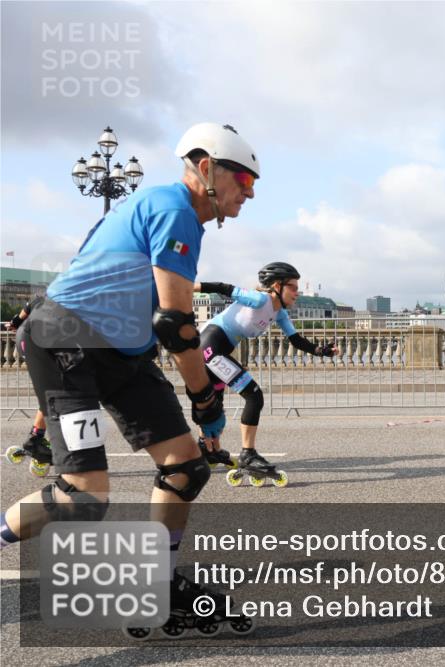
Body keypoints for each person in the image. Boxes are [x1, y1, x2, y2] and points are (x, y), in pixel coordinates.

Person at [0, 122, 260, 638]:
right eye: (243, 180)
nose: (249, 192)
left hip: (123, 353)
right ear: (206, 168)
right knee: (83, 496)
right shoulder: (174, 208)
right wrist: (206, 402)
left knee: (187, 467)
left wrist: (202, 408)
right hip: (69, 342)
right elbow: (177, 327)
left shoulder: (175, 214)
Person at [195, 262, 337, 487]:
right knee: (254, 396)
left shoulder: (279, 313)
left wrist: (322, 351)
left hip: (219, 348)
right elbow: (224, 287)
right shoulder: (260, 299)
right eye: (293, 287)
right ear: (277, 286)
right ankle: (247, 454)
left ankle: (209, 448)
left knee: (214, 401)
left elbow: (295, 340)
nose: (297, 293)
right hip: (209, 346)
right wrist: (185, 287)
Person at [4, 296, 51, 476]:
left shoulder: (55, 293)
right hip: (40, 341)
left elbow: (32, 302)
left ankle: (37, 436)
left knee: (50, 394)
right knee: (58, 393)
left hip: (25, 337)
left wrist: (16, 320)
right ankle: (37, 439)